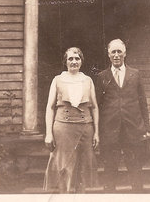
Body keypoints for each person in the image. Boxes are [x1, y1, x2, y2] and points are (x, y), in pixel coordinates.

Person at [96, 39, 150, 193]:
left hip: (133, 129)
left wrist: (146, 127)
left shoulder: (135, 74)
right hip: (110, 131)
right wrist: (99, 131)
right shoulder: (102, 77)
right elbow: (98, 106)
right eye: (113, 52)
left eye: (119, 51)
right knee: (110, 169)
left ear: (125, 53)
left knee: (135, 169)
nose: (117, 55)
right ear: (108, 55)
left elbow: (142, 102)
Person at [43, 47, 99, 193]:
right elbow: (50, 107)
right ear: (65, 62)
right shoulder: (57, 80)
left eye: (77, 58)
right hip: (63, 127)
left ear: (81, 61)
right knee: (65, 168)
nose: (74, 62)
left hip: (85, 128)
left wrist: (96, 132)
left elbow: (94, 107)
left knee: (83, 169)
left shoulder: (88, 80)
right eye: (70, 59)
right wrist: (48, 133)